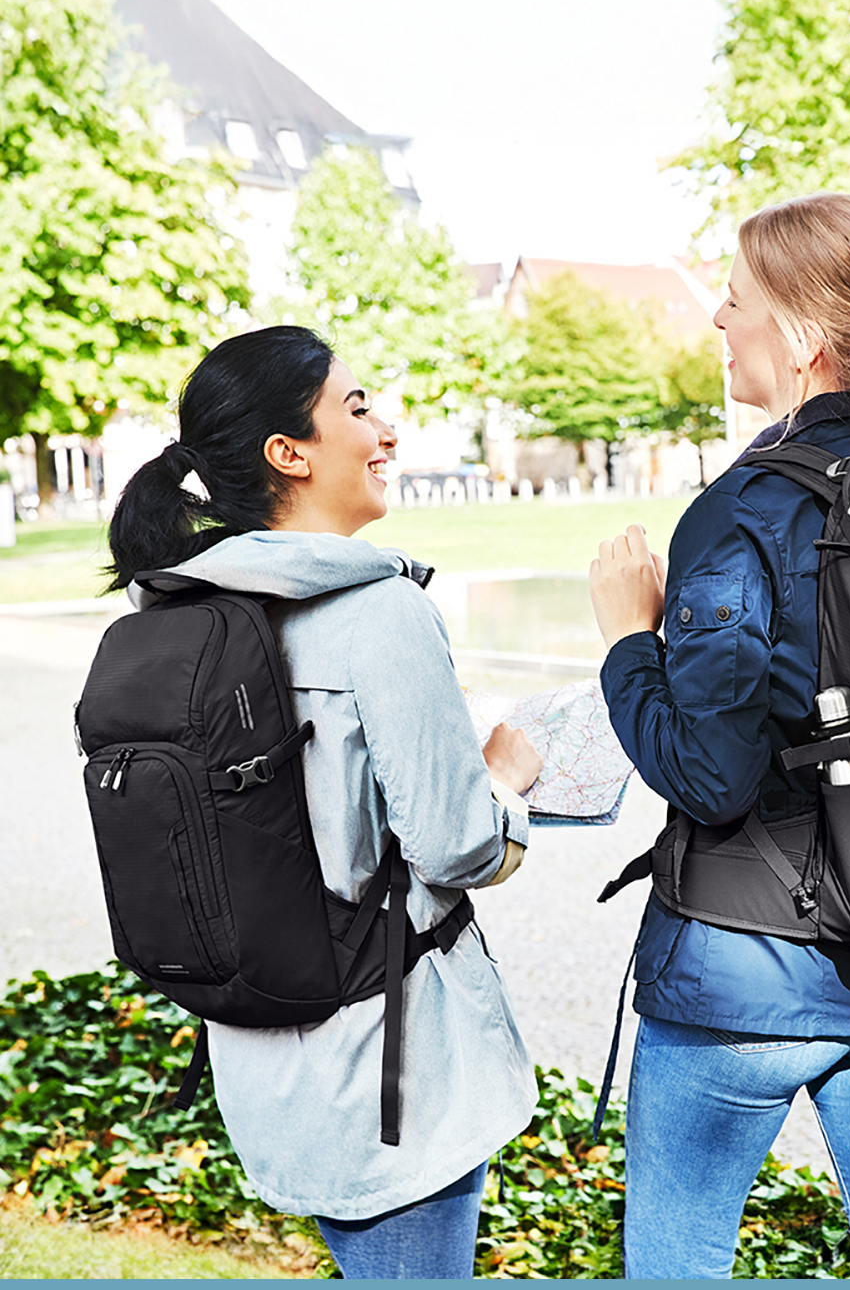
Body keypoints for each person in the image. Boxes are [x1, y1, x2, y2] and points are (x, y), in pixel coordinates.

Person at [589, 193, 850, 1281]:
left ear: (805, 339)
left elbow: (704, 773)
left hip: (745, 978)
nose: (719, 318)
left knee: (678, 1263)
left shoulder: (738, 513)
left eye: (738, 298)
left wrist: (629, 636)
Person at [106, 325, 541, 1280]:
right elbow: (458, 847)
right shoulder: (380, 612)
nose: (385, 431)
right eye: (356, 408)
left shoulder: (181, 605)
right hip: (394, 1085)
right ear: (286, 454)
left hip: (271, 1067)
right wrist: (505, 777)